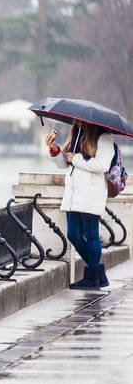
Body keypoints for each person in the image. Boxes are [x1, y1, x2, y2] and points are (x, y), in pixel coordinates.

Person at [45, 120, 115, 289]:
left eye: (79, 120)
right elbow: (64, 163)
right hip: (73, 195)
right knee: (73, 235)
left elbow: (101, 165)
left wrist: (74, 158)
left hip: (91, 193)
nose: (76, 122)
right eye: (76, 120)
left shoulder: (103, 138)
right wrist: (54, 149)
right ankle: (97, 274)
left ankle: (92, 278)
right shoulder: (75, 135)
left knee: (91, 235)